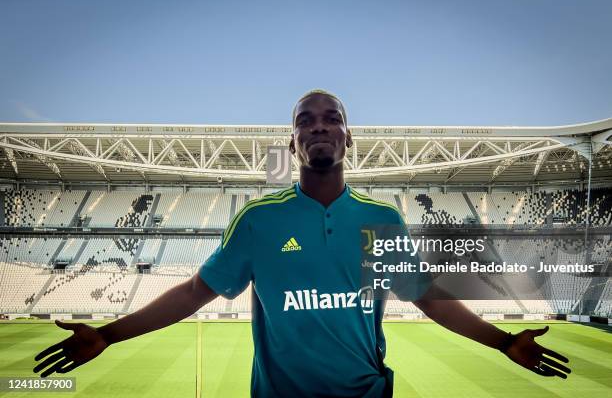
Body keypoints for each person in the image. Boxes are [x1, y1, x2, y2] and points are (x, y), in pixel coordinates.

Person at [33, 89, 571, 396]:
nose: (320, 127)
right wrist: (108, 334)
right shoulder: (260, 220)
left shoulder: (380, 219)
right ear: (293, 141)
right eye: (305, 121)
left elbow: (427, 297)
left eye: (332, 119)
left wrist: (503, 342)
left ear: (347, 136)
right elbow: (196, 290)